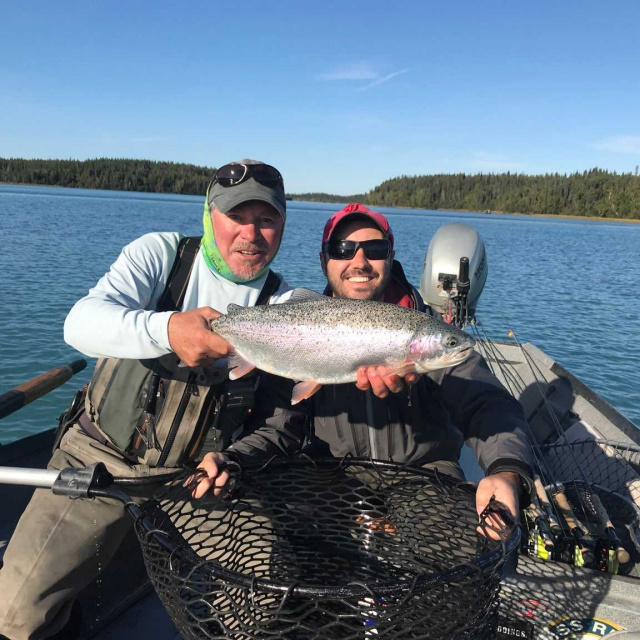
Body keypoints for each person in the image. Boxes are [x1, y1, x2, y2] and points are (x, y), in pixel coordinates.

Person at [0, 160, 293, 640]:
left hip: (195, 478)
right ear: (209, 215)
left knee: (266, 590)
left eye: (267, 219)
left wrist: (231, 459)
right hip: (98, 459)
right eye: (237, 216)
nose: (251, 233)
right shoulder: (161, 254)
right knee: (15, 615)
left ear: (282, 224)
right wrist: (167, 328)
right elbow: (80, 325)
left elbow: (278, 416)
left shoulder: (283, 304)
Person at [196, 203, 535, 522]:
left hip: (426, 476)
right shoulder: (296, 330)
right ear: (324, 260)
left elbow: (489, 404)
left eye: (375, 250)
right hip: (331, 477)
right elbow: (277, 428)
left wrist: (506, 472)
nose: (359, 262)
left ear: (391, 257)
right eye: (343, 250)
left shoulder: (428, 327)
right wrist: (232, 458)